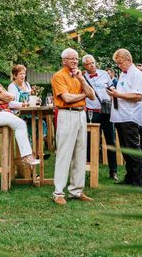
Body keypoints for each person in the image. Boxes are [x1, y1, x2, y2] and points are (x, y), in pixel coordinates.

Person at [51, 48, 96, 205]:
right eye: (72, 59)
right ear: (64, 61)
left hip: (81, 114)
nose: (75, 61)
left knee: (80, 152)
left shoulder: (79, 76)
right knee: (64, 153)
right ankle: (58, 192)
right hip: (66, 113)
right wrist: (84, 95)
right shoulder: (59, 76)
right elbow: (67, 98)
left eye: (76, 59)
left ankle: (76, 190)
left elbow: (93, 95)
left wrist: (82, 80)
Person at [0, 62, 39, 168]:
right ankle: (26, 156)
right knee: (20, 124)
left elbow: (8, 97)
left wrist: (3, 95)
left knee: (20, 123)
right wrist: (5, 95)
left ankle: (27, 155)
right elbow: (9, 97)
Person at [107, 48, 142, 187]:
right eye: (117, 63)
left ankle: (138, 181)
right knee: (125, 149)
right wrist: (114, 93)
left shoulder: (137, 74)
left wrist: (118, 95)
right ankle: (130, 177)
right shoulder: (123, 74)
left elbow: (137, 96)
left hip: (130, 116)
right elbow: (123, 92)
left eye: (120, 62)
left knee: (133, 149)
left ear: (129, 60)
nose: (119, 65)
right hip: (120, 116)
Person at [82, 54, 118, 182]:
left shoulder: (104, 74)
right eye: (88, 64)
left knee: (110, 141)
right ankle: (88, 170)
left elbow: (112, 87)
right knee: (89, 143)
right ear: (84, 66)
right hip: (91, 113)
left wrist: (112, 92)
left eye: (93, 62)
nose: (92, 65)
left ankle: (113, 171)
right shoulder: (82, 77)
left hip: (106, 112)